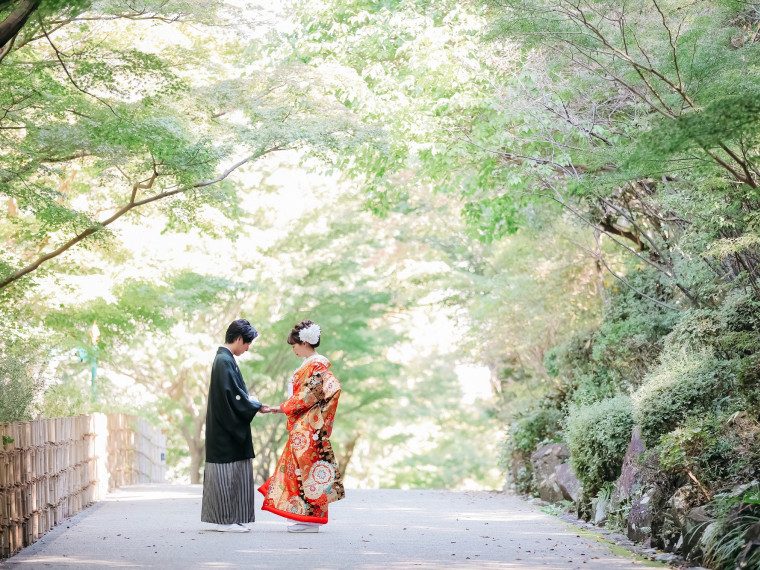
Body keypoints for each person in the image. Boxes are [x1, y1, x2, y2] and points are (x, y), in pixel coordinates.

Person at [258, 320, 345, 533]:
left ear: (305, 342)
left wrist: (282, 408)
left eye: (294, 345)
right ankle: (303, 517)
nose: (293, 349)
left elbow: (308, 395)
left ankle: (310, 520)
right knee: (299, 471)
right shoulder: (311, 364)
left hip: (309, 427)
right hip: (304, 425)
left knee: (307, 472)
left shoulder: (317, 365)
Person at [201, 319, 273, 533]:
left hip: (224, 425)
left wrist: (252, 404)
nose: (248, 348)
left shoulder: (224, 359)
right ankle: (225, 520)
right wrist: (254, 405)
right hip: (225, 429)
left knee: (229, 474)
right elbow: (233, 397)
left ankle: (227, 518)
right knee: (228, 474)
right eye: (248, 343)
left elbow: (233, 394)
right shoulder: (224, 360)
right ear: (239, 339)